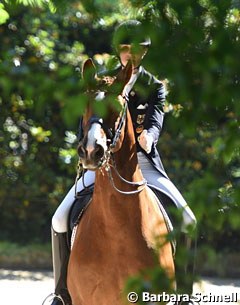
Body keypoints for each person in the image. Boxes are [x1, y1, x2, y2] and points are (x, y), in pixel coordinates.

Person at [47, 20, 197, 305]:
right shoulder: (104, 82)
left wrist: (149, 137)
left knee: (190, 220)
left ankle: (184, 297)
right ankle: (62, 294)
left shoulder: (154, 86)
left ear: (145, 51)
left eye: (137, 48)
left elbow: (155, 120)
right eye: (126, 48)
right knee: (59, 218)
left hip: (144, 163)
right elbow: (89, 120)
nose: (131, 53)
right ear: (119, 50)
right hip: (104, 162)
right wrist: (88, 146)